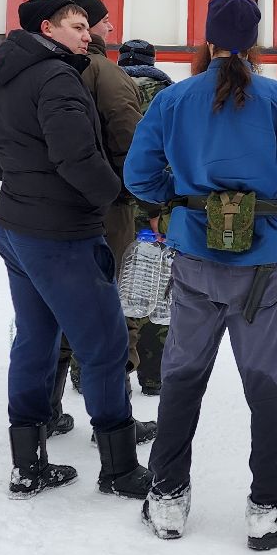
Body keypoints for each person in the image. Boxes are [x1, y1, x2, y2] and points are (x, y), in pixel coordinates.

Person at [125, 0, 277, 550]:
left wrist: (184, 205)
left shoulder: (173, 100)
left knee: (182, 378)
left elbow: (139, 177)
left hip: (193, 258)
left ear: (207, 39)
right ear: (255, 43)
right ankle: (269, 510)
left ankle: (166, 500)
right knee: (264, 385)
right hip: (260, 265)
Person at [0, 0, 152, 501]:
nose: (87, 35)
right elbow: (77, 157)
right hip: (60, 235)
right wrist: (117, 193)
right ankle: (119, 471)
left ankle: (27, 467)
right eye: (77, 26)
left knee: (35, 340)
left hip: (15, 225)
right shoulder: (57, 78)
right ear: (48, 29)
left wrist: (26, 187)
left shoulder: (3, 74)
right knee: (103, 344)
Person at [46, 0, 145, 433]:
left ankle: (47, 407)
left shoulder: (38, 71)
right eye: (101, 24)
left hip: (47, 211)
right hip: (106, 210)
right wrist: (125, 192)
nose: (103, 32)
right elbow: (131, 140)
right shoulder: (107, 73)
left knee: (54, 310)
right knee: (109, 310)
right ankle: (114, 418)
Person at [118, 38, 176, 396]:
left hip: (116, 206)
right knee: (159, 284)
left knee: (117, 286)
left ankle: (106, 372)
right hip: (159, 207)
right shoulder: (170, 97)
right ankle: (155, 374)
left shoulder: (103, 89)